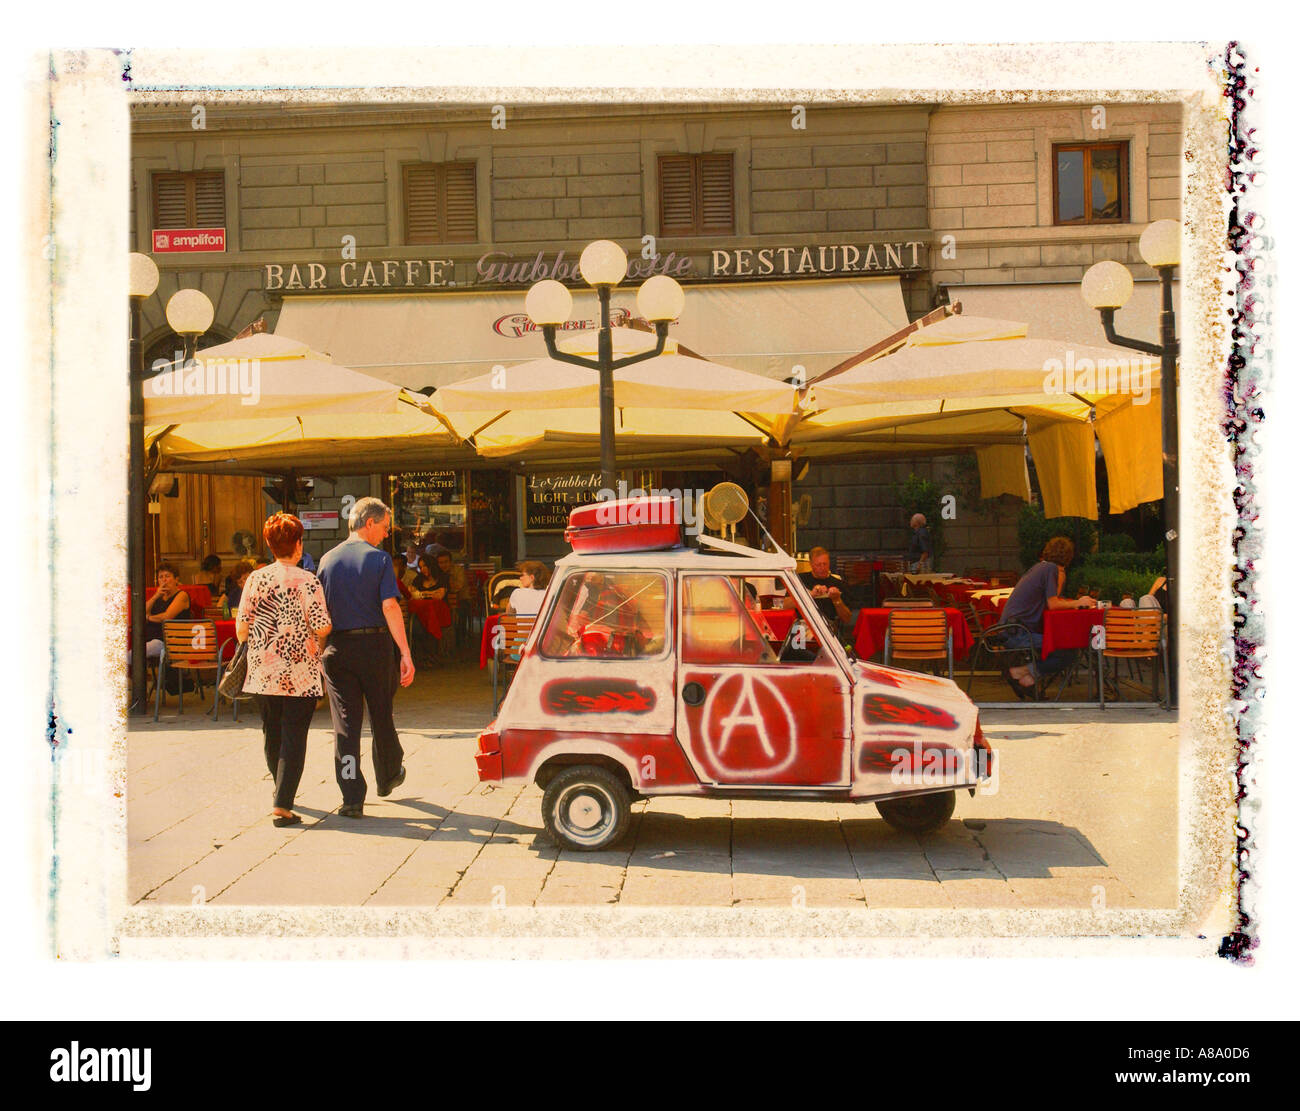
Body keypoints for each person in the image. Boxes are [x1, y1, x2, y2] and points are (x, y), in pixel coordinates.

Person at [316, 497, 415, 818]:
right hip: (374, 647)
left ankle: (351, 796)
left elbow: (321, 613)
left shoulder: (326, 560)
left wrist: (320, 652)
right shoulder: (379, 559)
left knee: (345, 725)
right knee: (381, 713)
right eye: (385, 527)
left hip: (337, 649)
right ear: (369, 523)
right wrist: (405, 651)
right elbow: (389, 606)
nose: (386, 534)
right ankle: (386, 776)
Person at [236, 513, 332, 828]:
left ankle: (280, 792)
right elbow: (322, 625)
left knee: (271, 731)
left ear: (269, 544)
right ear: (299, 544)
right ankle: (283, 804)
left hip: (263, 670)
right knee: (294, 734)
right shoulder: (308, 580)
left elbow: (241, 630)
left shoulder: (255, 579)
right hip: (300, 672)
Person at [1002, 536, 1096, 698]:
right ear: (1068, 556)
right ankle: (1020, 672)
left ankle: (1027, 680)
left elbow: (1051, 601)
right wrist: (1077, 602)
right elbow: (1053, 603)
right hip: (1018, 632)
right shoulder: (1051, 569)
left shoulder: (1040, 567)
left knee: (1064, 646)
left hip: (1011, 629)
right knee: (1068, 650)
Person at [137, 563, 191, 662]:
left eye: (167, 576)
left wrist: (148, 617)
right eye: (160, 577)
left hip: (169, 641)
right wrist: (155, 596)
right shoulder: (159, 597)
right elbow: (139, 613)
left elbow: (166, 617)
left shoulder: (182, 595)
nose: (164, 580)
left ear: (176, 579)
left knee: (134, 653)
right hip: (151, 638)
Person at [799, 547, 852, 633]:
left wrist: (836, 600)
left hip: (828, 629)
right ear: (811, 564)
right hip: (802, 628)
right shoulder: (800, 580)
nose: (822, 568)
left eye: (825, 564)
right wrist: (810, 595)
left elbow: (847, 619)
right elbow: (784, 605)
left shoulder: (839, 583)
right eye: (818, 565)